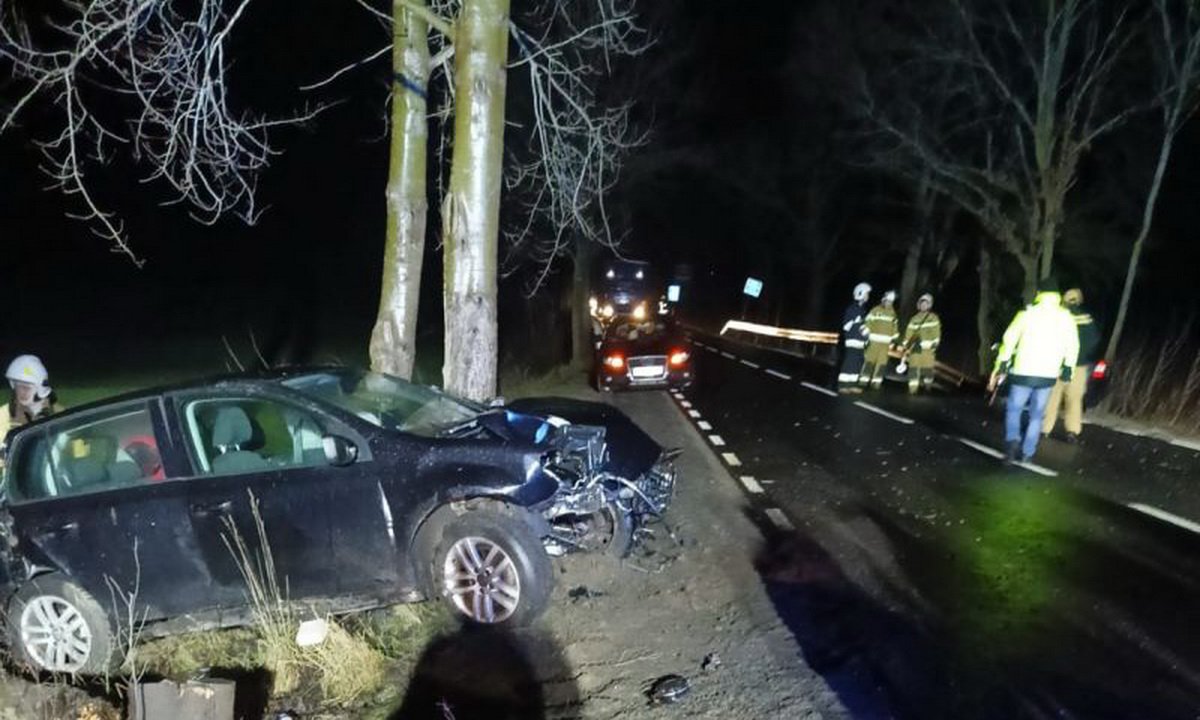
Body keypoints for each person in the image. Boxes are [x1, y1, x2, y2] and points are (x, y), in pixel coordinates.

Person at [988, 279, 1079, 464]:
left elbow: (1009, 340)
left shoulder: (1026, 314)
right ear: (1057, 296)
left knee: (1014, 409)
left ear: (1039, 293)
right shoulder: (1066, 318)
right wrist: (1068, 369)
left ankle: (1013, 441)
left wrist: (1002, 363)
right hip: (1047, 375)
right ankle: (1028, 452)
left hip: (1023, 371)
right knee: (1037, 415)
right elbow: (1072, 346)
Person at [1041, 287, 1101, 443]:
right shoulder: (1087, 318)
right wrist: (1082, 355)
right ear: (1079, 300)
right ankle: (1072, 431)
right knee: (1074, 399)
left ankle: (1045, 428)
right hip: (1079, 366)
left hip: (1056, 364)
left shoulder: (1058, 316)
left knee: (1052, 398)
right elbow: (1094, 339)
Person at [0, 354, 63, 449]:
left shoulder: (59, 414)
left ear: (40, 388)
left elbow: (77, 451)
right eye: (18, 386)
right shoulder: (3, 415)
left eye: (26, 387)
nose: (21, 392)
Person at [901, 293, 942, 394]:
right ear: (919, 305)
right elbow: (909, 333)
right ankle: (913, 389)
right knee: (913, 368)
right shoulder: (914, 319)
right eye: (922, 303)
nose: (923, 305)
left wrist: (935, 345)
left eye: (926, 304)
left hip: (928, 350)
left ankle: (927, 387)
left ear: (929, 305)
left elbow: (936, 333)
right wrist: (906, 345)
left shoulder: (934, 318)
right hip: (916, 348)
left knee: (927, 370)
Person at [860, 290, 899, 389]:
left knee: (881, 363)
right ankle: (864, 379)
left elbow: (894, 327)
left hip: (885, 343)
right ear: (883, 300)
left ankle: (876, 382)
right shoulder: (875, 310)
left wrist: (894, 340)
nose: (888, 303)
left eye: (890, 301)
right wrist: (865, 332)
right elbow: (868, 321)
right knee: (869, 360)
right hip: (874, 341)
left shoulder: (893, 313)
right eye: (887, 300)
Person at [838, 283, 871, 393]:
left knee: (857, 363)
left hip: (860, 341)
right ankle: (843, 385)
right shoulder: (852, 309)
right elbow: (845, 326)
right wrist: (854, 321)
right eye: (866, 294)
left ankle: (852, 384)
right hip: (852, 340)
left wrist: (867, 336)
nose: (868, 296)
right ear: (860, 293)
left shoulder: (862, 310)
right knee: (849, 362)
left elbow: (862, 326)